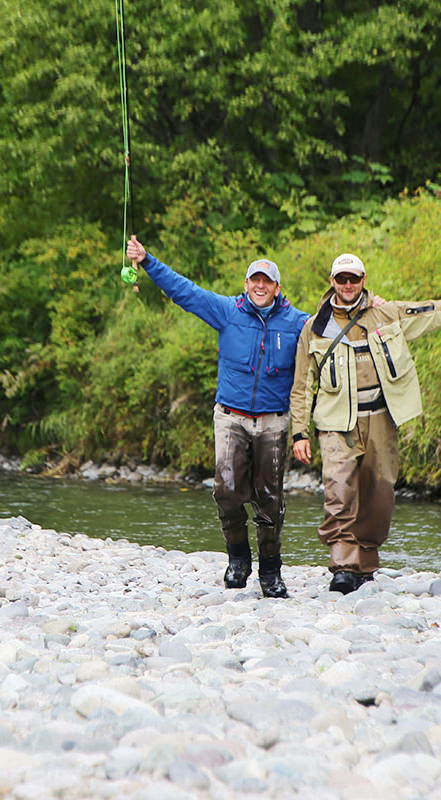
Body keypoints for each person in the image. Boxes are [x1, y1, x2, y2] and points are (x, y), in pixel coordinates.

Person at [289, 253, 441, 594]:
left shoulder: (387, 312)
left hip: (381, 418)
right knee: (339, 490)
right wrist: (299, 432)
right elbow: (301, 385)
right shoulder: (314, 328)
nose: (348, 285)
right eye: (341, 279)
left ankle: (366, 562)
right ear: (332, 282)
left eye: (354, 279)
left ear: (363, 280)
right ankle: (343, 565)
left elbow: (437, 310)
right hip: (335, 424)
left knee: (379, 494)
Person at [124, 235, 308, 598]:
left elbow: (333, 324)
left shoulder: (297, 322)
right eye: (254, 280)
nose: (259, 285)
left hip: (274, 420)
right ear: (246, 284)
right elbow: (184, 291)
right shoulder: (227, 311)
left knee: (270, 499)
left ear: (277, 288)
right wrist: (146, 261)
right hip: (230, 417)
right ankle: (238, 559)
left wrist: (373, 308)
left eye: (266, 281)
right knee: (226, 490)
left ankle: (271, 572)